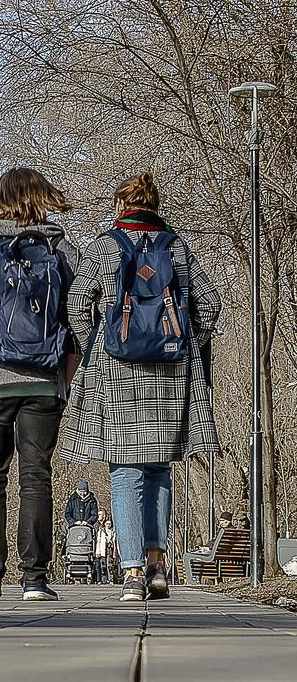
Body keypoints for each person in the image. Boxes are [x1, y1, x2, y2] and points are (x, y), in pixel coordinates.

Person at [61, 172, 221, 603]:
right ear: (154, 203)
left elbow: (77, 303)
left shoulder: (105, 246)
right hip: (170, 372)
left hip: (118, 372)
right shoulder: (177, 247)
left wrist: (97, 342)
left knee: (125, 469)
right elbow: (210, 303)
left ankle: (131, 572)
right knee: (159, 468)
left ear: (121, 206)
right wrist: (188, 344)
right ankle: (157, 566)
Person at [0, 167, 80, 602]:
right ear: (43, 196)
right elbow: (79, 317)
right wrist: (65, 374)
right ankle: (35, 579)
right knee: (36, 476)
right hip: (43, 381)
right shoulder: (62, 250)